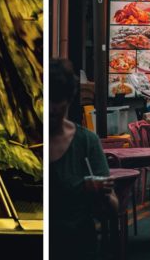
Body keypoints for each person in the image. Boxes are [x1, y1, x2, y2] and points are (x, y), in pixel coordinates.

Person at [49, 58, 116, 258]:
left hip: (79, 243)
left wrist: (101, 192)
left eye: (57, 100)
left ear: (69, 100)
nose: (51, 108)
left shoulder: (87, 142)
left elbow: (113, 206)